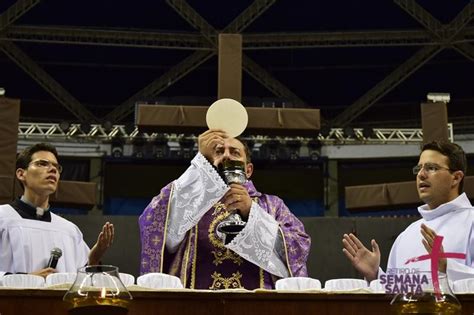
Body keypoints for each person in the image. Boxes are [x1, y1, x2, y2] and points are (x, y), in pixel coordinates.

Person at [139, 129, 310, 289]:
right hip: (195, 304)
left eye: (235, 152)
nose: (226, 156)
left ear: (248, 170)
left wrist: (251, 212)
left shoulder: (272, 205)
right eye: (219, 151)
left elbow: (298, 246)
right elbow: (158, 223)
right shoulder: (191, 205)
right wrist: (201, 163)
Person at [342, 141, 473, 282]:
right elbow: (396, 296)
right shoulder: (407, 235)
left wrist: (447, 267)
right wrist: (375, 276)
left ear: (456, 177)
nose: (421, 175)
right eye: (419, 168)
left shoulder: (471, 221)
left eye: (431, 168)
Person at [0, 143, 114, 279]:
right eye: (42, 164)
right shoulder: (3, 218)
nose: (52, 169)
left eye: (56, 167)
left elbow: (83, 279)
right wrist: (26, 279)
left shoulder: (69, 230)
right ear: (21, 174)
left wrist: (94, 257)